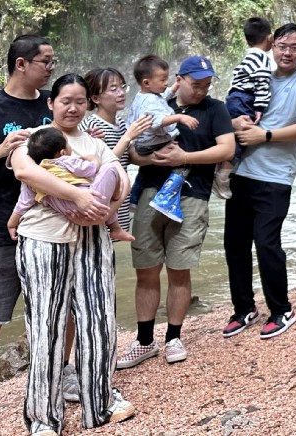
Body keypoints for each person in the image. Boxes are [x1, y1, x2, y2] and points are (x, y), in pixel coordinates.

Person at [0, 35, 103, 436]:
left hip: (55, 230)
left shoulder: (56, 101)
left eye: (53, 60)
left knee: (63, 308)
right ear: (20, 64)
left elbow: (92, 135)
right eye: (45, 61)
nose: (51, 67)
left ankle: (64, 374)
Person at [10, 73, 135, 433]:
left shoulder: (93, 143)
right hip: (44, 241)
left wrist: (111, 208)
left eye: (81, 101)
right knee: (46, 328)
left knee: (99, 323)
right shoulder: (33, 137)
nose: (73, 107)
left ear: (88, 104)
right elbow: (24, 170)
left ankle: (101, 403)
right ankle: (43, 419)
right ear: (51, 103)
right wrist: (79, 196)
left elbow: (119, 175)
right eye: (66, 100)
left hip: (93, 241)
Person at [116, 56, 234, 369]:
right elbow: (133, 149)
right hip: (151, 192)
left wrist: (186, 155)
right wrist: (146, 160)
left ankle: (173, 337)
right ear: (179, 80)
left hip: (192, 194)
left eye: (207, 85)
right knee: (146, 267)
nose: (202, 90)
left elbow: (227, 149)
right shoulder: (153, 103)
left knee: (180, 268)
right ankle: (143, 341)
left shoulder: (215, 109)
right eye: (196, 84)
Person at [223, 23, 296, 339]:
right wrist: (235, 121)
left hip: (276, 177)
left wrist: (264, 135)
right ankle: (244, 308)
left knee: (267, 244)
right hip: (241, 172)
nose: (288, 52)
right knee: (235, 244)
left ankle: (281, 309)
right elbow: (233, 108)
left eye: (295, 47)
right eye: (282, 45)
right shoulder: (257, 75)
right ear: (271, 45)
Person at [6, 125, 134, 244]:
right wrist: (93, 159)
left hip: (68, 211)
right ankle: (115, 225)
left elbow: (23, 203)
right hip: (91, 201)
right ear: (63, 152)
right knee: (110, 168)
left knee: (100, 198)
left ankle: (115, 228)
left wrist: (12, 223)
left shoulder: (37, 179)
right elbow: (91, 169)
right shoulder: (66, 161)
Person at [127, 55, 198, 222]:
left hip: (141, 143)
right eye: (162, 79)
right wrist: (180, 118)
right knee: (184, 163)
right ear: (146, 82)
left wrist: (174, 87)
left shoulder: (145, 95)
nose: (166, 83)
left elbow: (163, 96)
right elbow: (158, 121)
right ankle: (165, 198)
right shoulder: (150, 102)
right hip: (153, 142)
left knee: (144, 172)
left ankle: (134, 197)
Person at [83, 67, 152, 234]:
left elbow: (127, 157)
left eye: (122, 86)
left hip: (118, 202)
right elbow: (101, 168)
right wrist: (128, 137)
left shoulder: (121, 123)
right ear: (95, 98)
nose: (121, 93)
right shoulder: (93, 126)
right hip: (99, 201)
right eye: (113, 89)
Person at [213, 16, 274, 200]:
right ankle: (221, 178)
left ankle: (218, 168)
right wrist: (260, 107)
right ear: (270, 38)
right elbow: (263, 83)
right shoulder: (262, 59)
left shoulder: (248, 57)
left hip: (234, 98)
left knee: (232, 136)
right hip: (245, 99)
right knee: (241, 139)